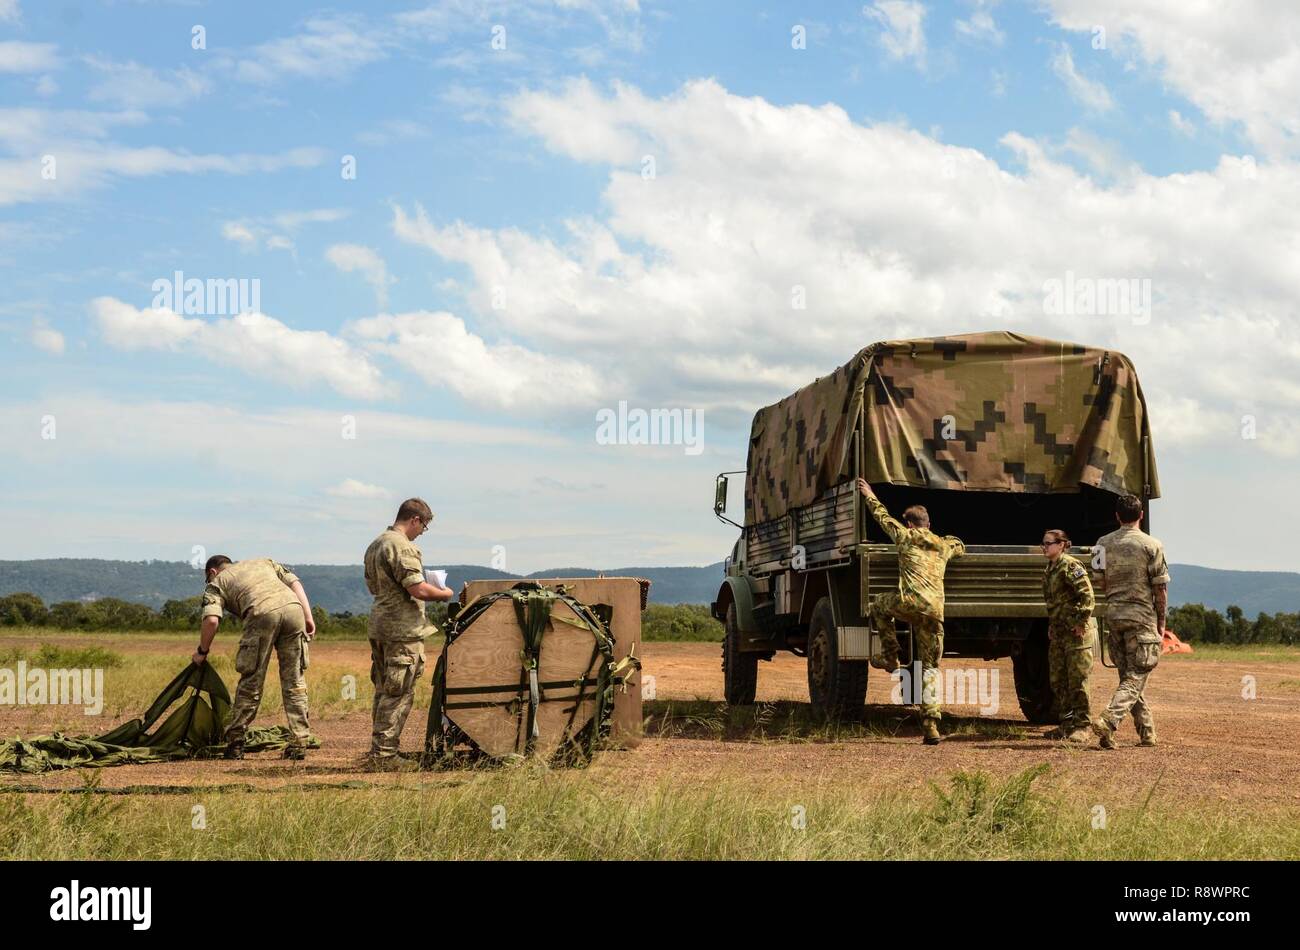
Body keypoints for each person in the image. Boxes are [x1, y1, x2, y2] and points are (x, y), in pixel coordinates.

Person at [856, 478, 965, 744]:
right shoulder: (943, 545)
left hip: (909, 603)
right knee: (930, 669)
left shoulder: (904, 537)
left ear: (909, 524)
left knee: (878, 604)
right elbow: (960, 545)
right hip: (934, 612)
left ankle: (891, 656)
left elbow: (881, 516)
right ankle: (930, 726)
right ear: (928, 523)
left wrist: (869, 493)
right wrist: (950, 539)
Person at [194, 555, 316, 760]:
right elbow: (294, 581)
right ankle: (299, 742)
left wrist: (202, 651)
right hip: (294, 609)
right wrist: (307, 616)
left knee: (251, 680)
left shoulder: (216, 583)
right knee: (294, 680)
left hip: (262, 613)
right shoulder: (263, 562)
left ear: (212, 572)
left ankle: (235, 743)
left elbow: (212, 621)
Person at [363, 498, 454, 766]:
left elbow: (373, 587)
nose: (421, 533)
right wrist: (444, 594)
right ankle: (385, 755)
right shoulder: (403, 547)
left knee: (384, 690)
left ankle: (379, 750)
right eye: (423, 527)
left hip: (380, 626)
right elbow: (417, 589)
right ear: (415, 520)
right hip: (402, 630)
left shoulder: (376, 544)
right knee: (398, 692)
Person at [1091, 493, 1169, 749]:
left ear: (1117, 516)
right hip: (1141, 618)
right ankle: (1109, 720)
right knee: (1136, 676)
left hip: (1114, 616)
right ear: (1141, 516)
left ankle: (1147, 733)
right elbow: (1160, 589)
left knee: (1129, 676)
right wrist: (1161, 621)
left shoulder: (1101, 544)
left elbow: (1098, 581)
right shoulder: (1152, 545)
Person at [1040, 529, 1096, 743]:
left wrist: (1081, 622)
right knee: (1058, 680)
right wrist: (1052, 625)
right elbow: (1054, 603)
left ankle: (1082, 726)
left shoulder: (1070, 566)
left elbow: (1087, 596)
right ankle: (1066, 724)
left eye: (1048, 543)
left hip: (1075, 634)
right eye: (1043, 544)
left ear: (1062, 544)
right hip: (1059, 632)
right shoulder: (1050, 569)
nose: (1044, 547)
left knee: (1077, 681)